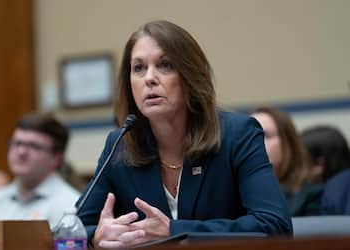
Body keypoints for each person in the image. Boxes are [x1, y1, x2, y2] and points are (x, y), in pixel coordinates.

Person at [76, 20, 292, 249]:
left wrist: (174, 231)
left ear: (190, 76)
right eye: (138, 68)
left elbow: (275, 226)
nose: (149, 78)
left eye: (165, 65)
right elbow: (73, 227)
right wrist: (97, 237)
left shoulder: (238, 135)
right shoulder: (120, 145)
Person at [0, 112, 80, 228]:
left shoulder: (71, 206)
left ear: (56, 158)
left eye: (33, 146)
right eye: (17, 143)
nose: (21, 152)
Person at [251, 107, 322, 216]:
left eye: (264, 135)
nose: (254, 143)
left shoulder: (313, 195)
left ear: (287, 142)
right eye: (249, 137)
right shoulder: (234, 192)